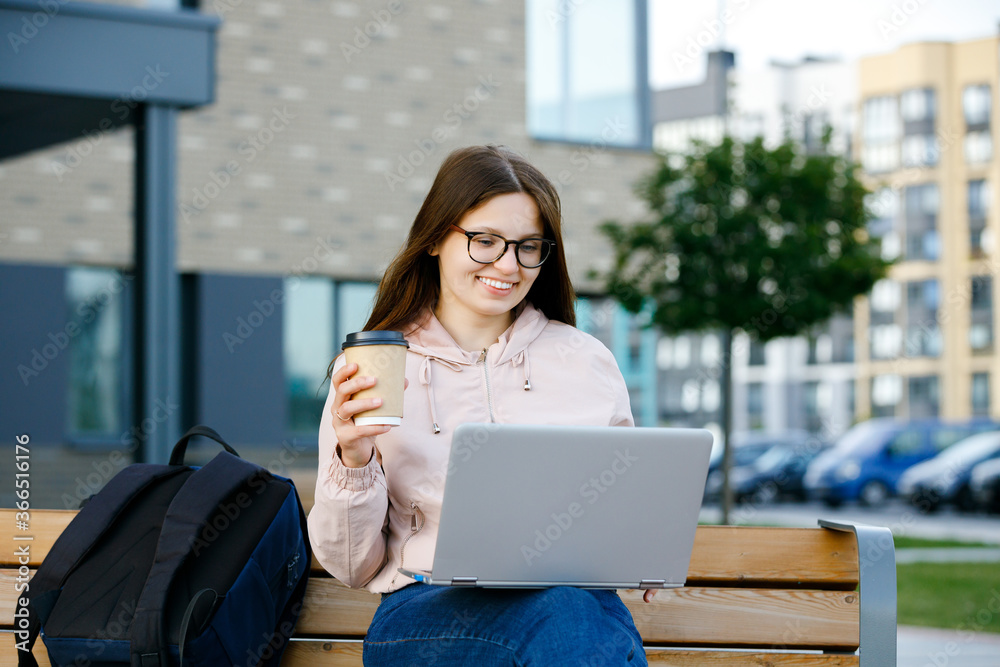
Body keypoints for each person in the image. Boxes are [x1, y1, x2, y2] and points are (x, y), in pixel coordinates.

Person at [308, 145, 650, 665]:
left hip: (578, 609)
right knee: (569, 624)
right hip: (429, 610)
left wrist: (637, 548)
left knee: (571, 617)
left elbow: (623, 503)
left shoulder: (586, 361)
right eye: (485, 241)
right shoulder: (377, 366)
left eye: (527, 246)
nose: (508, 265)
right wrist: (353, 461)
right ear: (434, 240)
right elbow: (353, 566)